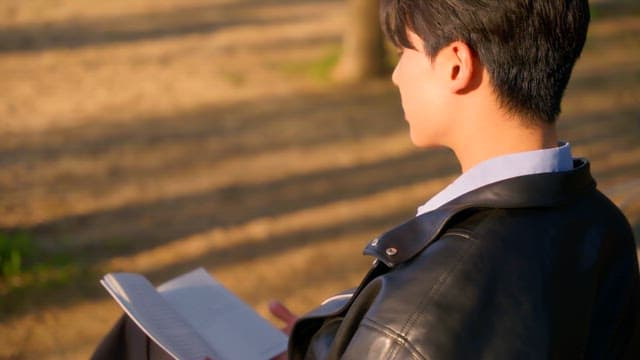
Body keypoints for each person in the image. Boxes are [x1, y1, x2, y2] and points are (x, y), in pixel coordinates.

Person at [270, 0, 640, 358]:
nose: (397, 75)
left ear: (456, 65)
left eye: (403, 50)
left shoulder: (419, 310)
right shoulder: (602, 222)